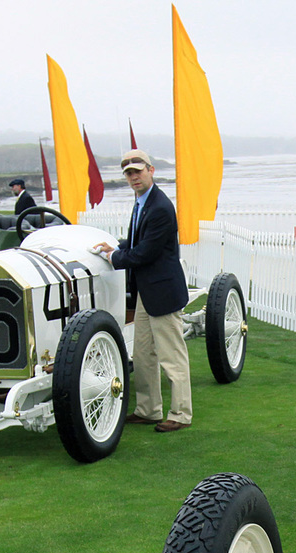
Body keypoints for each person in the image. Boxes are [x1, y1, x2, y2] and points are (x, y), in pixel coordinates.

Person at [92, 150, 190, 432]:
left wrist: (114, 258)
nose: (134, 177)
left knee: (172, 357)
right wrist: (118, 246)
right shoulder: (141, 203)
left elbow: (145, 253)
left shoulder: (159, 206)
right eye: (129, 173)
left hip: (163, 292)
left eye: (138, 171)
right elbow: (138, 240)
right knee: (144, 353)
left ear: (151, 170)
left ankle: (181, 414)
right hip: (147, 292)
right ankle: (148, 410)